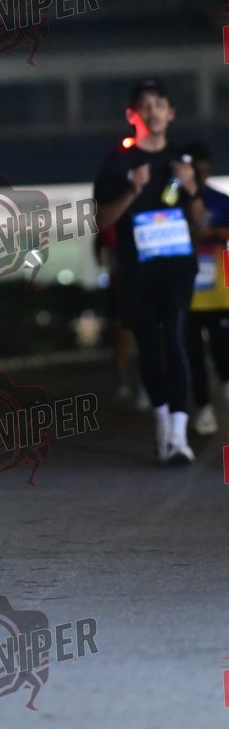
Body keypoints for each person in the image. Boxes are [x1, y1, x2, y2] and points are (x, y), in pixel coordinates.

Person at [94, 79, 202, 465]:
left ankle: (179, 435)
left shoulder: (181, 162)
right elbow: (100, 220)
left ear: (171, 113)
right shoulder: (118, 163)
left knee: (174, 337)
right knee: (149, 346)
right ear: (132, 114)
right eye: (145, 105)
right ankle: (162, 422)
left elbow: (200, 219)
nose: (153, 111)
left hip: (177, 267)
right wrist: (132, 191)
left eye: (159, 104)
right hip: (137, 270)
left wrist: (191, 187)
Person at [180, 142, 229, 435]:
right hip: (186, 295)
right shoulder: (173, 200)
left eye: (203, 169)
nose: (199, 174)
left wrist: (211, 233)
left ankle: (225, 387)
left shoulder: (221, 201)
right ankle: (204, 409)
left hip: (220, 294)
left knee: (223, 350)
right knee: (192, 356)